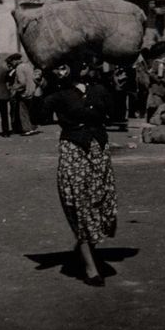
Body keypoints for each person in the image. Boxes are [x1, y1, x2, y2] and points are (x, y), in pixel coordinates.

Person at [43, 61, 118, 287]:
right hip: (73, 150)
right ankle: (90, 268)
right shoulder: (59, 94)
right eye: (58, 68)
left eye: (65, 67)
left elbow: (114, 113)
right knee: (79, 203)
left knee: (102, 202)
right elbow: (40, 114)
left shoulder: (99, 90)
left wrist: (115, 86)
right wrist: (40, 87)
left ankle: (85, 248)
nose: (61, 71)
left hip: (98, 150)